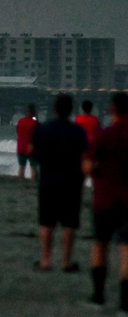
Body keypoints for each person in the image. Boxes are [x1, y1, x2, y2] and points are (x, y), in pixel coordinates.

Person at [31, 93, 88, 272]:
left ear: (54, 109)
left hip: (48, 180)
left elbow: (31, 151)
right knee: (69, 224)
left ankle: (46, 260)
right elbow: (85, 157)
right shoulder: (78, 131)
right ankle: (66, 261)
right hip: (71, 182)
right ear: (71, 110)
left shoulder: (43, 129)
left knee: (47, 223)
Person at [86, 92, 128, 312]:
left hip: (104, 199)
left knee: (100, 245)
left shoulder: (103, 135)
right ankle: (125, 301)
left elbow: (87, 167)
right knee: (126, 250)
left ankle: (98, 295)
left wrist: (97, 171)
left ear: (112, 109)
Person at [16, 105, 40, 183]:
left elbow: (17, 131)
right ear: (34, 113)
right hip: (31, 148)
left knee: (21, 167)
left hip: (21, 147)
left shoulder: (20, 121)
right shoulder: (35, 122)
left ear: (27, 112)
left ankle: (21, 182)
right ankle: (33, 182)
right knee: (33, 167)